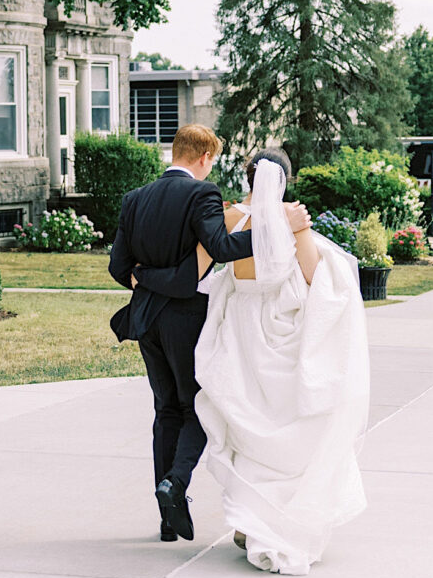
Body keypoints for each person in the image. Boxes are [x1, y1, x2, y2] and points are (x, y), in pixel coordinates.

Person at [108, 125, 312, 542]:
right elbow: (221, 249)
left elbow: (118, 268)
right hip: (185, 319)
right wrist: (276, 228)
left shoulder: (135, 199)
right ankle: (175, 483)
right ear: (203, 156)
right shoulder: (201, 194)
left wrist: (146, 278)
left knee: (164, 411)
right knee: (199, 407)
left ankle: (168, 518)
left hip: (146, 319)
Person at [191, 148, 370, 574]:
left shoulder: (231, 219)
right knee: (287, 427)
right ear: (285, 180)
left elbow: (198, 271)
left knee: (246, 427)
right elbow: (313, 276)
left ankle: (249, 522)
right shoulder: (293, 218)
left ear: (249, 178)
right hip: (282, 334)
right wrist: (300, 232)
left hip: (240, 333)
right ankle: (275, 520)